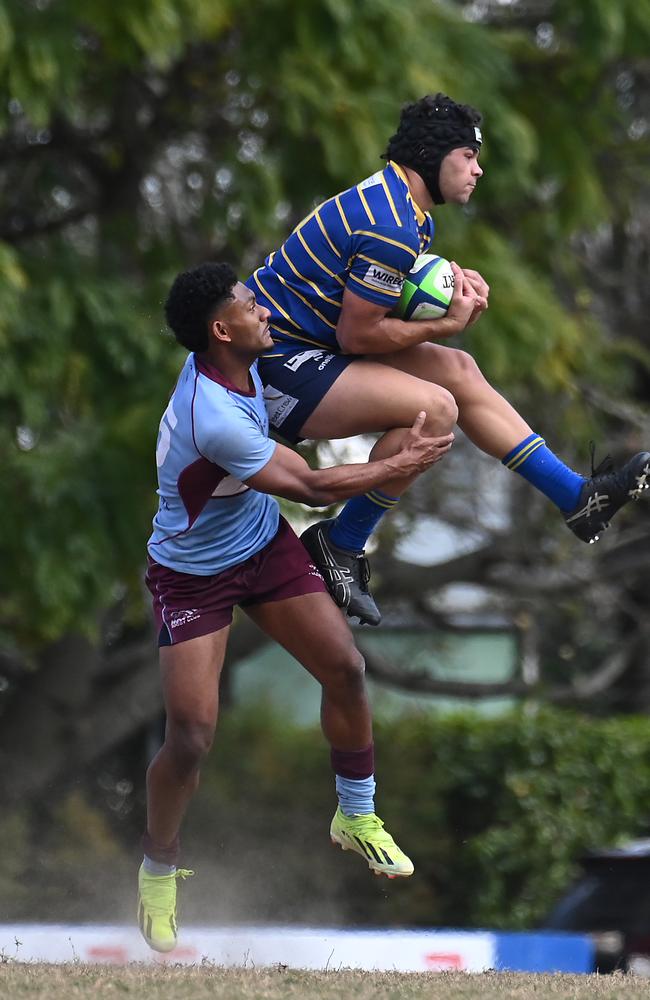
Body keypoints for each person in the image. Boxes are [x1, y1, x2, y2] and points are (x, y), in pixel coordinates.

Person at [138, 261, 453, 953]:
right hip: (192, 576)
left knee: (345, 667)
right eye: (251, 306)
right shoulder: (211, 415)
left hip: (260, 542)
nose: (264, 312)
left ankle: (357, 816)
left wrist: (444, 317)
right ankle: (159, 866)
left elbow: (351, 342)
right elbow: (310, 485)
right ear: (222, 330)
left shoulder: (251, 356)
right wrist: (395, 468)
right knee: (191, 738)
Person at [246, 93, 650, 626]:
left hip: (316, 346)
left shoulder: (407, 214)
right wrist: (446, 322)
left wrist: (440, 293)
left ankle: (576, 496)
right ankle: (341, 544)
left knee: (459, 371)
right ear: (433, 155)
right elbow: (359, 334)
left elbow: (361, 319)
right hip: (279, 367)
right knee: (435, 409)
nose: (478, 169)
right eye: (468, 155)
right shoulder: (388, 225)